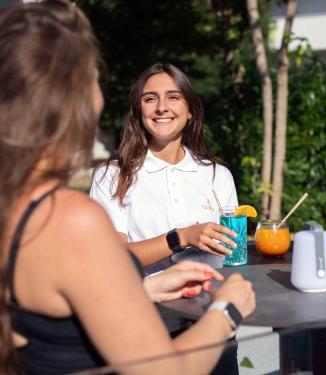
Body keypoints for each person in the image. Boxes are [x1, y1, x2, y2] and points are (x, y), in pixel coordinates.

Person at [0, 1, 255, 374]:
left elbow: (63, 316)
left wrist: (148, 288)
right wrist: (228, 308)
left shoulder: (15, 206)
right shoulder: (71, 218)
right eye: (93, 77)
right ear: (76, 98)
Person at [91, 63, 238, 268]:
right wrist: (182, 237)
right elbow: (111, 259)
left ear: (190, 112)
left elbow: (232, 252)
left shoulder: (218, 176)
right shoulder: (112, 176)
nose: (161, 107)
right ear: (138, 112)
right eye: (150, 99)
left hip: (211, 294)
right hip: (146, 298)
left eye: (173, 97)